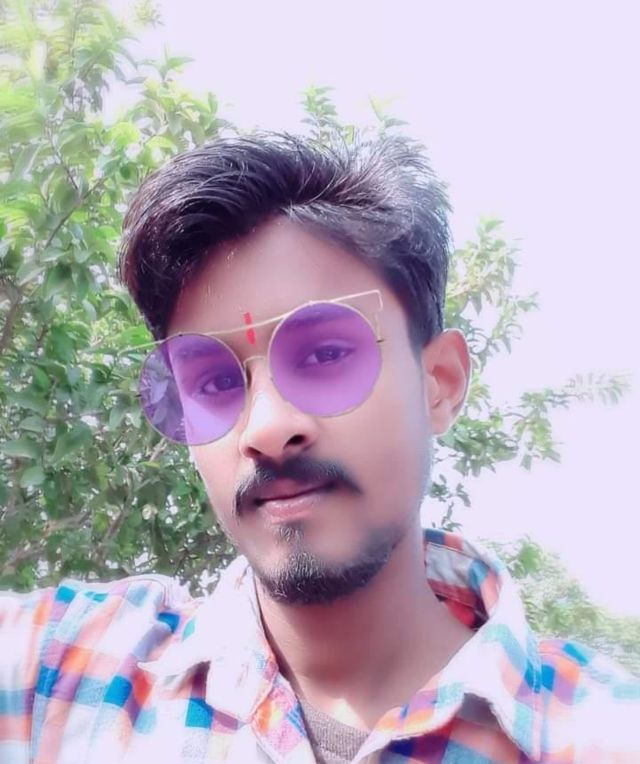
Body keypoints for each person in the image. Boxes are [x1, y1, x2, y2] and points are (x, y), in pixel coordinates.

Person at [1, 133, 638, 763]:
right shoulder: (55, 674)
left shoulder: (602, 736)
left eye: (327, 354)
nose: (265, 428)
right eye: (214, 382)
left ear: (440, 383)